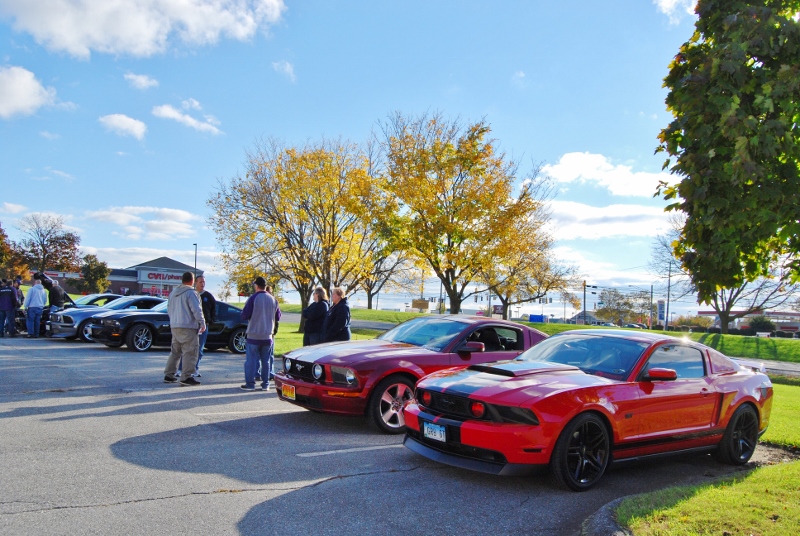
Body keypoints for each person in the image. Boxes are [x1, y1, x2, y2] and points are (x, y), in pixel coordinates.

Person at [163, 272, 206, 386]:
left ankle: (169, 374)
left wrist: (173, 320)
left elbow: (169, 309)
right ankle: (186, 376)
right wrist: (202, 322)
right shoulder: (191, 293)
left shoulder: (173, 293)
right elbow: (196, 309)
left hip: (175, 325)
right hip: (188, 326)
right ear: (192, 281)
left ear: (182, 280)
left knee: (175, 351)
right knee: (190, 351)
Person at [240, 277, 279, 391]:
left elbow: (244, 315)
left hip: (254, 334)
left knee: (251, 361)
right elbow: (278, 316)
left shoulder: (253, 298)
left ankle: (250, 384)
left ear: (256, 286)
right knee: (266, 361)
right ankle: (265, 384)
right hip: (268, 335)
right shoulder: (273, 299)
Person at [177, 275, 216, 378]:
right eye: (200, 282)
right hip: (190, 326)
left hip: (203, 326)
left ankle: (195, 369)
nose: (202, 284)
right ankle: (181, 369)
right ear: (195, 283)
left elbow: (214, 309)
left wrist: (210, 320)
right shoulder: (191, 294)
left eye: (203, 282)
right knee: (187, 349)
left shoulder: (208, 296)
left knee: (199, 349)